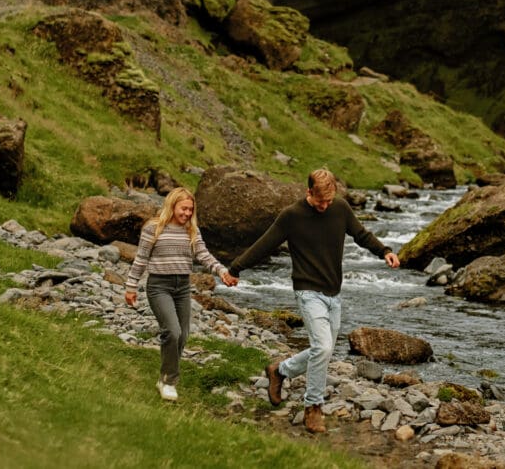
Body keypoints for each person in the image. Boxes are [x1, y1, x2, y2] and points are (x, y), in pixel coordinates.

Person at [225, 168, 400, 433]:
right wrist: (235, 269)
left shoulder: (340, 208)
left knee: (323, 350)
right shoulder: (291, 216)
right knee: (324, 347)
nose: (326, 206)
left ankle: (279, 371)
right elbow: (264, 245)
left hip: (334, 293)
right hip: (308, 292)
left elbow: (361, 235)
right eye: (321, 201)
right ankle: (313, 407)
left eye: (329, 201)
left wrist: (384, 251)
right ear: (308, 192)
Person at [124, 187, 237, 402]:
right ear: (172, 205)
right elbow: (141, 258)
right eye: (183, 209)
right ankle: (168, 381)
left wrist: (222, 271)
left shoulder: (191, 230)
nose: (187, 213)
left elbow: (203, 255)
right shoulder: (153, 228)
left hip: (182, 287)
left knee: (183, 335)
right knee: (172, 332)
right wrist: (131, 286)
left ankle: (165, 375)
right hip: (159, 286)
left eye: (190, 210)